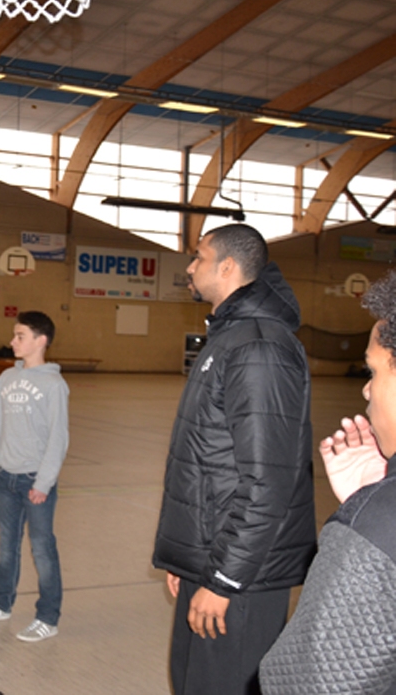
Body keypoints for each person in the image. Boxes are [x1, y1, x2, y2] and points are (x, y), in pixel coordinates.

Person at [153, 223, 316, 695]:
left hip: (242, 579)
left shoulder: (258, 346)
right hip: (210, 561)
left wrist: (224, 581)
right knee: (189, 684)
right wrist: (187, 559)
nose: (188, 267)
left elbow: (269, 481)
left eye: (198, 257)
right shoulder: (230, 338)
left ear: (227, 266)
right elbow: (208, 461)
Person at [258, 270, 396, 693]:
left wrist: (370, 510)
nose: (367, 392)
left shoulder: (376, 526)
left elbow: (308, 681)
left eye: (374, 373)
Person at [0, 311, 69, 643]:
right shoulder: (5, 378)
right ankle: (1, 604)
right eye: (14, 336)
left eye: (20, 336)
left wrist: (43, 482)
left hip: (34, 481)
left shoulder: (54, 385)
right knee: (7, 547)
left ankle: (48, 617)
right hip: (6, 478)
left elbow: (58, 437)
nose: (13, 342)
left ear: (40, 341)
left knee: (42, 549)